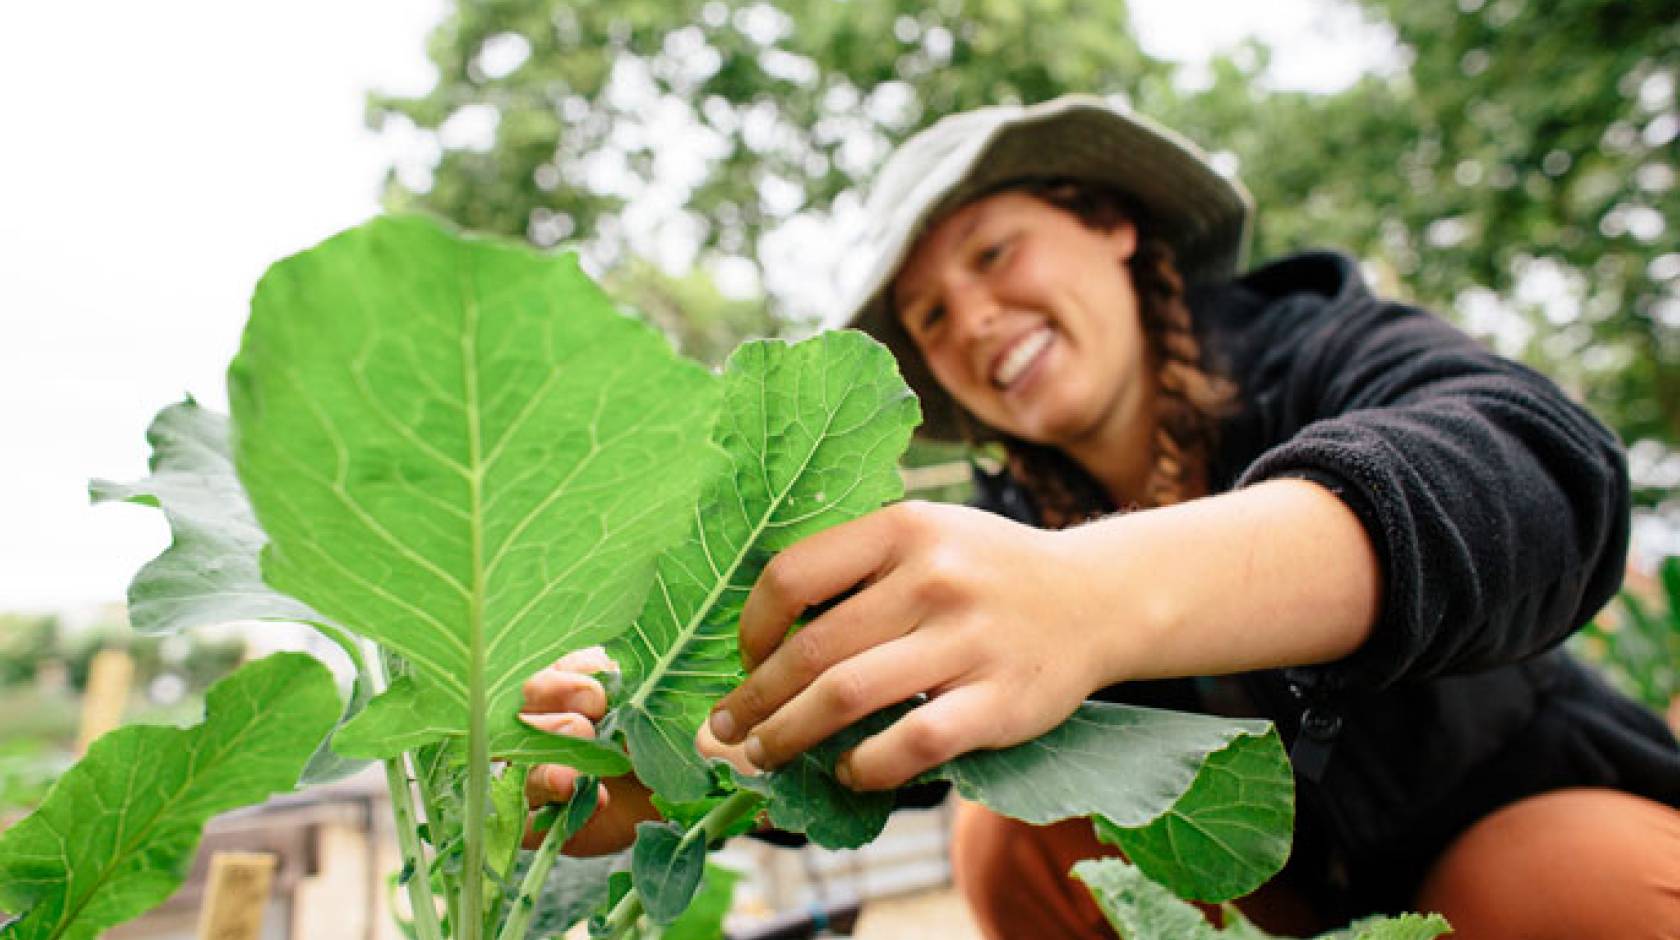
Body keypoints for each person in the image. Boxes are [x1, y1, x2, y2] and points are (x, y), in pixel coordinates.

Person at [522, 95, 1680, 938]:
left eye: (995, 250)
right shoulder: (999, 522)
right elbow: (859, 734)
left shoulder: (1305, 344)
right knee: (1016, 838)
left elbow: (1543, 469)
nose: (974, 316)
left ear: (1117, 225)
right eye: (930, 311)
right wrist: (643, 776)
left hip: (1535, 823)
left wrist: (1096, 595)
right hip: (1283, 905)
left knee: (1537, 877)